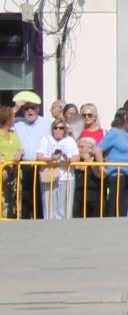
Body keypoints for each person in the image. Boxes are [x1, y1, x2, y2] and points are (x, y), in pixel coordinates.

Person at [11, 91, 50, 219]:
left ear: (38, 109)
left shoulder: (47, 123)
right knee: (26, 198)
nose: (29, 111)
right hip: (25, 166)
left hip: (43, 166)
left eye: (32, 107)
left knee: (41, 198)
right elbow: (2, 121)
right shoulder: (17, 122)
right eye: (26, 108)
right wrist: (15, 108)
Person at [35, 114, 78, 219]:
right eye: (56, 128)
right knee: (49, 209)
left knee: (65, 210)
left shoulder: (70, 140)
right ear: (52, 129)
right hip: (50, 177)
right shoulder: (46, 139)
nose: (58, 130)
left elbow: (77, 157)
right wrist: (51, 158)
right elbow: (39, 156)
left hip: (66, 177)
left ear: (64, 130)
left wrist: (67, 159)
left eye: (61, 128)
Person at [98, 109, 128, 217]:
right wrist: (101, 166)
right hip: (116, 174)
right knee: (114, 205)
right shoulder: (114, 132)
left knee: (123, 205)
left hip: (127, 173)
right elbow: (98, 149)